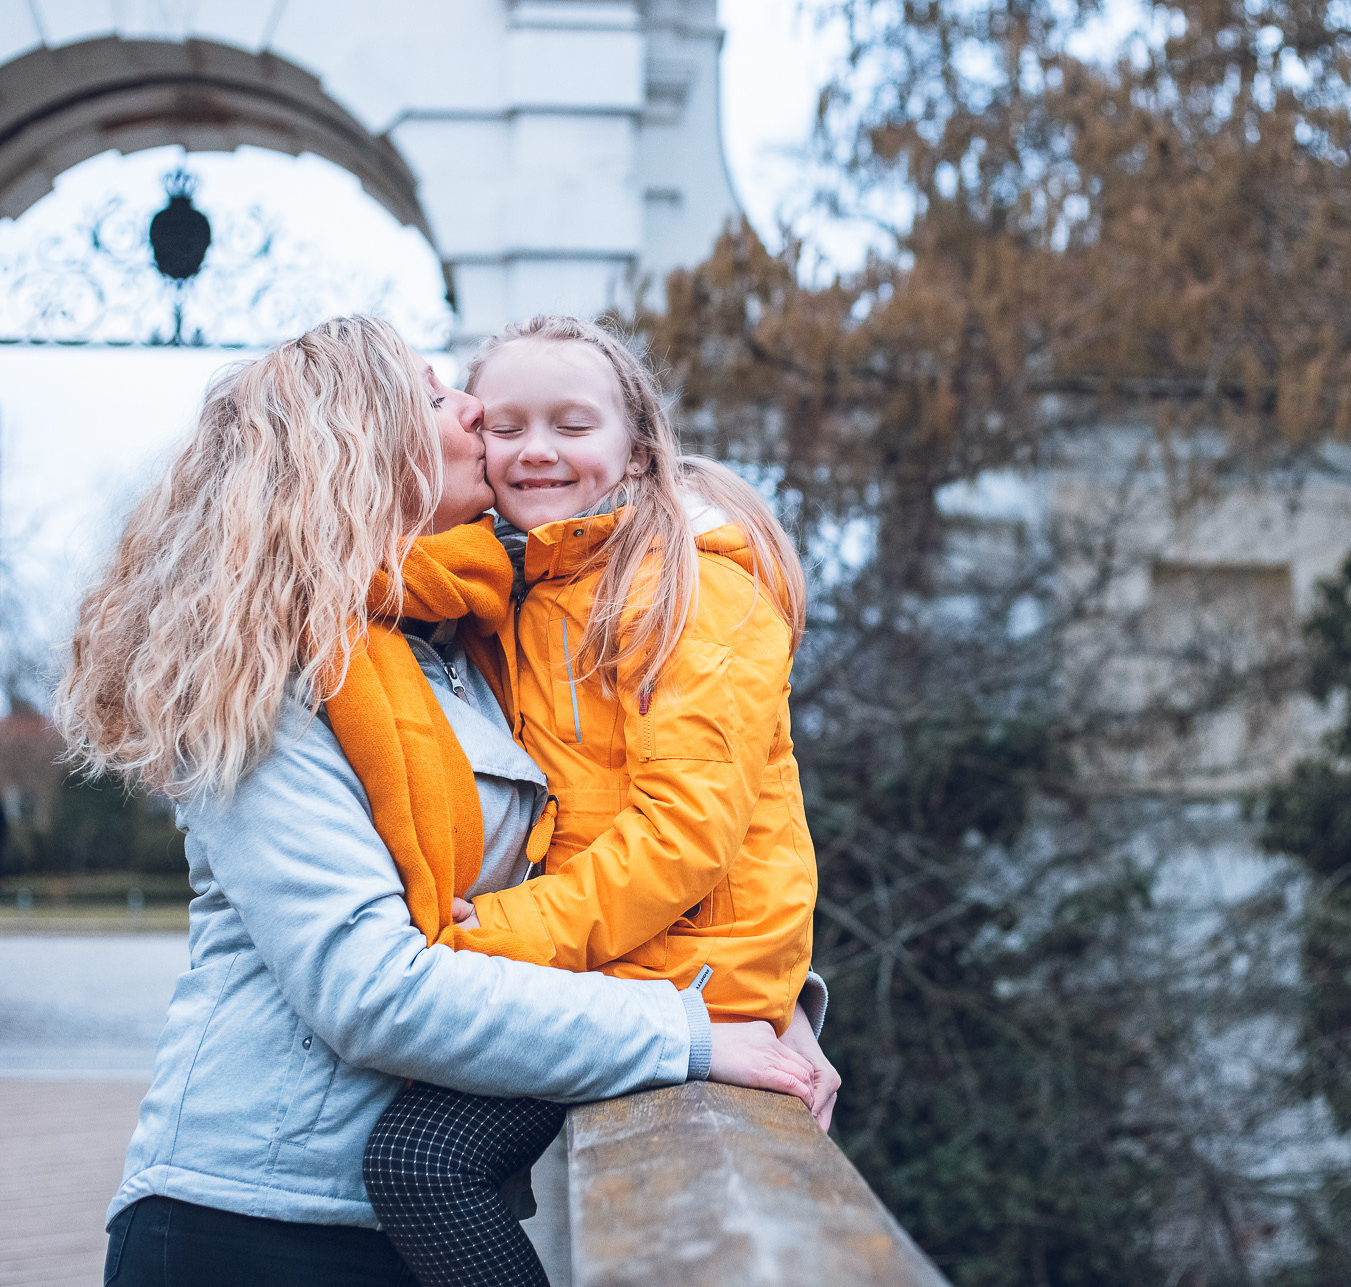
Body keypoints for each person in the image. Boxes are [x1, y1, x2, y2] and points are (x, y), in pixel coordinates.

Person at [54, 316, 823, 1287]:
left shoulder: (464, 633)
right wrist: (686, 1030)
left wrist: (766, 997)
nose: (473, 412)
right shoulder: (274, 671)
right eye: (438, 396)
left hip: (394, 1223)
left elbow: (664, 822)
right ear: (363, 445)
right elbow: (378, 985)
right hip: (257, 1216)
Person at [358, 315, 835, 1287]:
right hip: (612, 966)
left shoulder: (692, 588)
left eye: (572, 425)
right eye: (506, 424)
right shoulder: (522, 589)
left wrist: (480, 939)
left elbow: (681, 837)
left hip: (683, 972)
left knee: (418, 1162)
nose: (535, 450)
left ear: (636, 448)